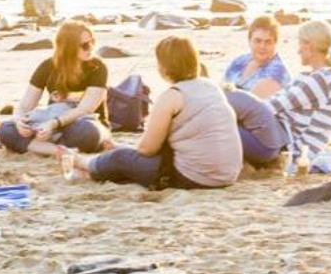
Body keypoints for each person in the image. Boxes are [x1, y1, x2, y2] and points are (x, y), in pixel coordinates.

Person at [63, 35, 241, 190]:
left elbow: (148, 149)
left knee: (120, 158)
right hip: (227, 174)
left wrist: (122, 150)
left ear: (164, 67)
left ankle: (81, 161)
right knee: (128, 158)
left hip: (194, 177)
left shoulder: (171, 97)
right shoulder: (210, 87)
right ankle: (99, 166)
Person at [0, 21, 111, 156]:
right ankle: (57, 150)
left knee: (88, 132)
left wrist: (52, 124)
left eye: (92, 42)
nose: (90, 48)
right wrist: (19, 121)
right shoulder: (47, 66)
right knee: (6, 129)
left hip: (81, 123)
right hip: (50, 126)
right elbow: (25, 106)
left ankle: (39, 147)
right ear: (68, 47)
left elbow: (85, 109)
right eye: (85, 45)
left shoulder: (97, 67)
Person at [266, 19, 331, 174]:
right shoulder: (312, 76)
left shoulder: (321, 80)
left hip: (295, 152)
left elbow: (274, 106)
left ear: (309, 46)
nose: (298, 51)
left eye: (300, 44)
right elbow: (274, 102)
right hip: (285, 140)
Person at [222, 16, 290, 97]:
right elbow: (222, 89)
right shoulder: (239, 62)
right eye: (258, 41)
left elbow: (250, 102)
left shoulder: (277, 72)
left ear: (275, 43)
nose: (262, 46)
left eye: (268, 42)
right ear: (249, 41)